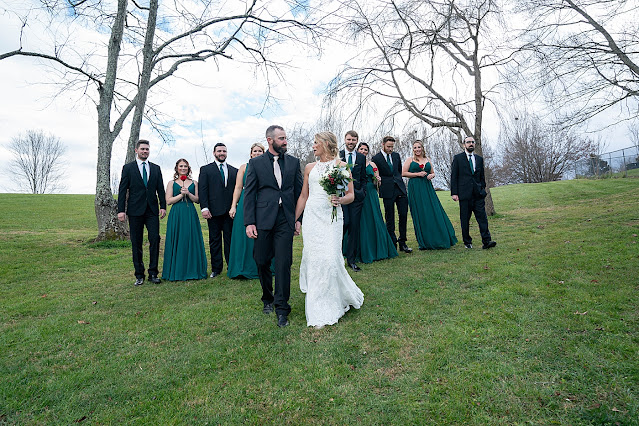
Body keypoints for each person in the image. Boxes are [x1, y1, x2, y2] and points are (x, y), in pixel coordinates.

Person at [295, 131, 364, 329]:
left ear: (325, 144)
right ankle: (317, 305)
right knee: (315, 260)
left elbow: (350, 195)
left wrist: (339, 199)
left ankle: (337, 298)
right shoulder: (309, 167)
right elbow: (303, 196)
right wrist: (294, 219)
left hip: (332, 217)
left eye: (316, 143)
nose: (313, 146)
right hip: (312, 217)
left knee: (331, 259)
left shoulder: (342, 167)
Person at [244, 125, 303, 328]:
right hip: (262, 219)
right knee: (261, 260)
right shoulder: (256, 163)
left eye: (286, 138)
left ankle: (282, 308)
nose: (285, 141)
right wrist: (249, 222)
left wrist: (298, 219)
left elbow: (299, 193)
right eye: (281, 138)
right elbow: (249, 194)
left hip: (285, 219)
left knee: (284, 263)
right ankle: (267, 297)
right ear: (270, 140)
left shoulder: (294, 163)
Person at [117, 139, 166, 286]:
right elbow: (122, 190)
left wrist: (162, 206)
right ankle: (139, 275)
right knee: (136, 242)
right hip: (134, 211)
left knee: (155, 239)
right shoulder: (128, 168)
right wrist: (121, 210)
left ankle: (153, 273)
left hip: (152, 210)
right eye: (143, 149)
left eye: (147, 149)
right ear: (136, 150)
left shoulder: (156, 168)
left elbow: (160, 189)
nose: (145, 151)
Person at [402, 140, 457, 249]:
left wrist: (432, 175)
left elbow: (433, 172)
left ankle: (439, 237)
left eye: (419, 147)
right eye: (415, 148)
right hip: (415, 188)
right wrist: (417, 174)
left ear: (422, 148)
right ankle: (425, 241)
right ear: (413, 149)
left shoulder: (428, 160)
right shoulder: (410, 160)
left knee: (433, 210)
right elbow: (403, 173)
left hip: (427, 188)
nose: (417, 149)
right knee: (421, 212)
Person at [161, 159, 208, 281]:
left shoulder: (194, 182)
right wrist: (181, 195)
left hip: (190, 213)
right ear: (176, 168)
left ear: (188, 168)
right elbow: (169, 201)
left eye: (185, 166)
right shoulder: (171, 183)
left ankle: (193, 269)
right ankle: (177, 270)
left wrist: (188, 194)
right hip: (177, 213)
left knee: (190, 238)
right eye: (181, 166)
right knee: (178, 239)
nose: (183, 168)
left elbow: (197, 200)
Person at [354, 142, 398, 263]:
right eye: (361, 149)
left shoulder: (372, 164)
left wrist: (378, 180)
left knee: (375, 218)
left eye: (365, 149)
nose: (363, 151)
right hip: (359, 192)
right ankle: (360, 249)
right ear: (357, 150)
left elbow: (377, 182)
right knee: (362, 219)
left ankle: (379, 248)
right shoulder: (353, 163)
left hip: (371, 193)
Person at [199, 143, 238, 278]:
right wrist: (204, 208)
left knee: (229, 240)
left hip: (230, 212)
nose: (222, 153)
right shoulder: (206, 169)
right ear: (214, 153)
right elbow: (203, 190)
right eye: (219, 151)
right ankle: (216, 268)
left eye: (224, 151)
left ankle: (231, 265)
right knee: (214, 240)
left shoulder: (234, 170)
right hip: (213, 212)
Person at [227, 143, 265, 279]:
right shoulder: (244, 167)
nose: (257, 153)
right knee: (242, 235)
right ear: (250, 153)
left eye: (260, 151)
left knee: (262, 233)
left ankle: (262, 266)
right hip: (245, 202)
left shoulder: (268, 166)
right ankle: (241, 267)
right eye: (255, 151)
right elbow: (238, 188)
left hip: (262, 202)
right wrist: (233, 206)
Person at [450, 136, 496, 249]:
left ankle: (486, 241)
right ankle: (467, 242)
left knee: (482, 218)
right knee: (465, 219)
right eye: (468, 142)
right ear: (464, 144)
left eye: (472, 142)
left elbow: (481, 176)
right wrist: (454, 193)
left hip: (478, 194)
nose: (471, 144)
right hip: (464, 194)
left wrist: (482, 189)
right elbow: (454, 176)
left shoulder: (479, 159)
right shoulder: (458, 158)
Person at [371, 136, 413, 253]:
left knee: (403, 215)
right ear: (382, 144)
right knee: (390, 217)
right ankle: (392, 242)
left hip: (400, 189)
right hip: (387, 190)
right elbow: (375, 174)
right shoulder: (376, 158)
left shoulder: (396, 156)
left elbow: (398, 171)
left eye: (392, 147)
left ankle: (403, 242)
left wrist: (398, 182)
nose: (390, 149)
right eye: (388, 146)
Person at [339, 130, 367, 272]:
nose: (351, 142)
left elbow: (363, 178)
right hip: (341, 197)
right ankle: (337, 257)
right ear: (345, 139)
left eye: (354, 140)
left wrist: (362, 192)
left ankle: (351, 260)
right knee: (343, 225)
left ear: (357, 141)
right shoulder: (338, 155)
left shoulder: (361, 158)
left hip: (356, 197)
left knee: (354, 228)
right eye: (349, 139)